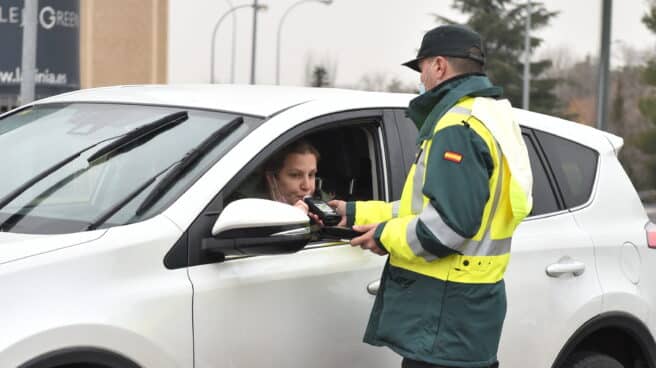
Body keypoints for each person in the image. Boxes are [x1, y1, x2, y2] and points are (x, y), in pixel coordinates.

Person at [329, 25, 533, 368]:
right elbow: (423, 207)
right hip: (466, 314)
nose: (420, 80)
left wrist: (383, 236)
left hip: (446, 318)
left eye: (421, 68)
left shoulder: (457, 128)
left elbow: (447, 228)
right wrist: (355, 212)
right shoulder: (491, 116)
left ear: (439, 66)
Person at [263, 139, 321, 219]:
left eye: (311, 175)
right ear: (272, 179)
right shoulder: (253, 211)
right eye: (295, 175)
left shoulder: (327, 208)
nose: (306, 186)